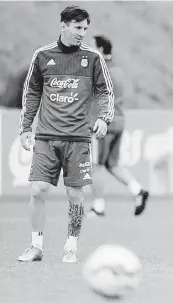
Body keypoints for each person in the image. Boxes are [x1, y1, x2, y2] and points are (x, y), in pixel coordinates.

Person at [18, 5, 115, 263]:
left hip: (78, 139)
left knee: (75, 195)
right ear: (63, 25)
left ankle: (71, 245)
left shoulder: (93, 58)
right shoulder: (42, 56)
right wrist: (26, 127)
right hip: (46, 137)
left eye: (85, 28)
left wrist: (104, 118)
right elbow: (32, 93)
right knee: (38, 190)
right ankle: (35, 246)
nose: (82, 33)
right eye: (77, 27)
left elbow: (105, 92)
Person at [86, 35, 149, 218]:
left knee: (95, 166)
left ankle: (98, 207)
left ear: (101, 50)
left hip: (104, 123)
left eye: (92, 47)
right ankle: (138, 190)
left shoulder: (102, 71)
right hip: (119, 120)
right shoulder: (118, 71)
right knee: (112, 164)